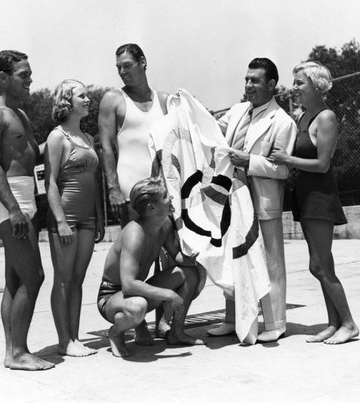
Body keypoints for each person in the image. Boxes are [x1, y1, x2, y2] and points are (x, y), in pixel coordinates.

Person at [0, 50, 54, 370]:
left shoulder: (19, 114)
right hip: (9, 201)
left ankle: (12, 351)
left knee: (15, 279)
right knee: (34, 277)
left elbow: (33, 154)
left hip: (24, 199)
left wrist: (68, 137)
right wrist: (14, 210)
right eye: (23, 75)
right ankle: (19, 352)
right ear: (3, 78)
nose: (30, 79)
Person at [268, 61, 359, 344]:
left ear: (316, 86)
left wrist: (287, 159)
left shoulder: (326, 117)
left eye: (299, 83)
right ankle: (333, 323)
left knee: (319, 267)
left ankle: (349, 323)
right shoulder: (303, 117)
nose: (293, 88)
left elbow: (322, 164)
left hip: (320, 198)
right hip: (305, 198)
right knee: (323, 263)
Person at [209, 58, 297, 342]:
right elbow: (211, 129)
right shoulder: (237, 111)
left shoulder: (282, 121)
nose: (248, 86)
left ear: (271, 85)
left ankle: (275, 323)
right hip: (232, 198)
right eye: (246, 80)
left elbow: (283, 169)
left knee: (270, 262)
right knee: (233, 258)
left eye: (255, 81)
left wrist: (250, 161)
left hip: (263, 201)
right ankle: (233, 319)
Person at [97, 177, 205, 357]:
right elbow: (128, 285)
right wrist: (169, 295)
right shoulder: (134, 233)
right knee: (137, 306)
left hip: (136, 291)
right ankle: (116, 332)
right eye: (165, 196)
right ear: (152, 208)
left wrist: (200, 254)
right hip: (111, 297)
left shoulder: (165, 223)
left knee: (190, 273)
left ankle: (176, 333)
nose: (170, 197)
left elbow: (176, 256)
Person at [45, 79, 105, 357]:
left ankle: (75, 338)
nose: (88, 99)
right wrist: (60, 221)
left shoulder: (88, 138)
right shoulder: (58, 137)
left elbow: (94, 180)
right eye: (82, 96)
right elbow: (51, 182)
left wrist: (100, 218)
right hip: (66, 217)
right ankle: (63, 340)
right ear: (67, 101)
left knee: (78, 280)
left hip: (88, 219)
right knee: (64, 279)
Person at [98, 43, 169, 226]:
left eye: (127, 65)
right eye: (118, 67)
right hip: (131, 191)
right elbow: (106, 148)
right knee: (136, 250)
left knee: (170, 250)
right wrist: (114, 189)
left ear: (142, 62)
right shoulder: (113, 99)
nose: (122, 71)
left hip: (163, 191)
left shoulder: (164, 100)